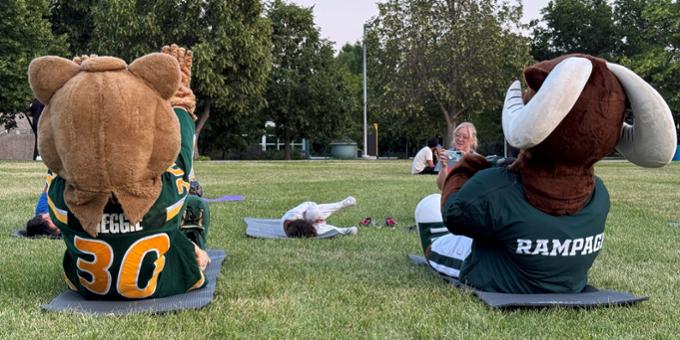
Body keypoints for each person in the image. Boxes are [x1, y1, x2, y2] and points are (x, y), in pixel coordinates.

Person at [30, 45, 211, 299]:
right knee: (195, 206)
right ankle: (197, 251)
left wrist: (76, 103)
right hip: (161, 284)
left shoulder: (61, 200)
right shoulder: (166, 196)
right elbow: (180, 154)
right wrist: (180, 104)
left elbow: (57, 162)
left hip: (90, 288)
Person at [282, 196, 358, 237]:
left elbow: (310, 204)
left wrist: (315, 217)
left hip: (310, 211)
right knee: (321, 229)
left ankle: (341, 204)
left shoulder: (294, 213)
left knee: (313, 213)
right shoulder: (294, 231)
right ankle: (346, 230)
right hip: (306, 224)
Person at [436, 122, 478, 190]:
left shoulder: (477, 160)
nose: (460, 139)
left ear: (472, 141)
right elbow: (441, 187)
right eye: (457, 135)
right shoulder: (447, 155)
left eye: (465, 137)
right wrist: (444, 168)